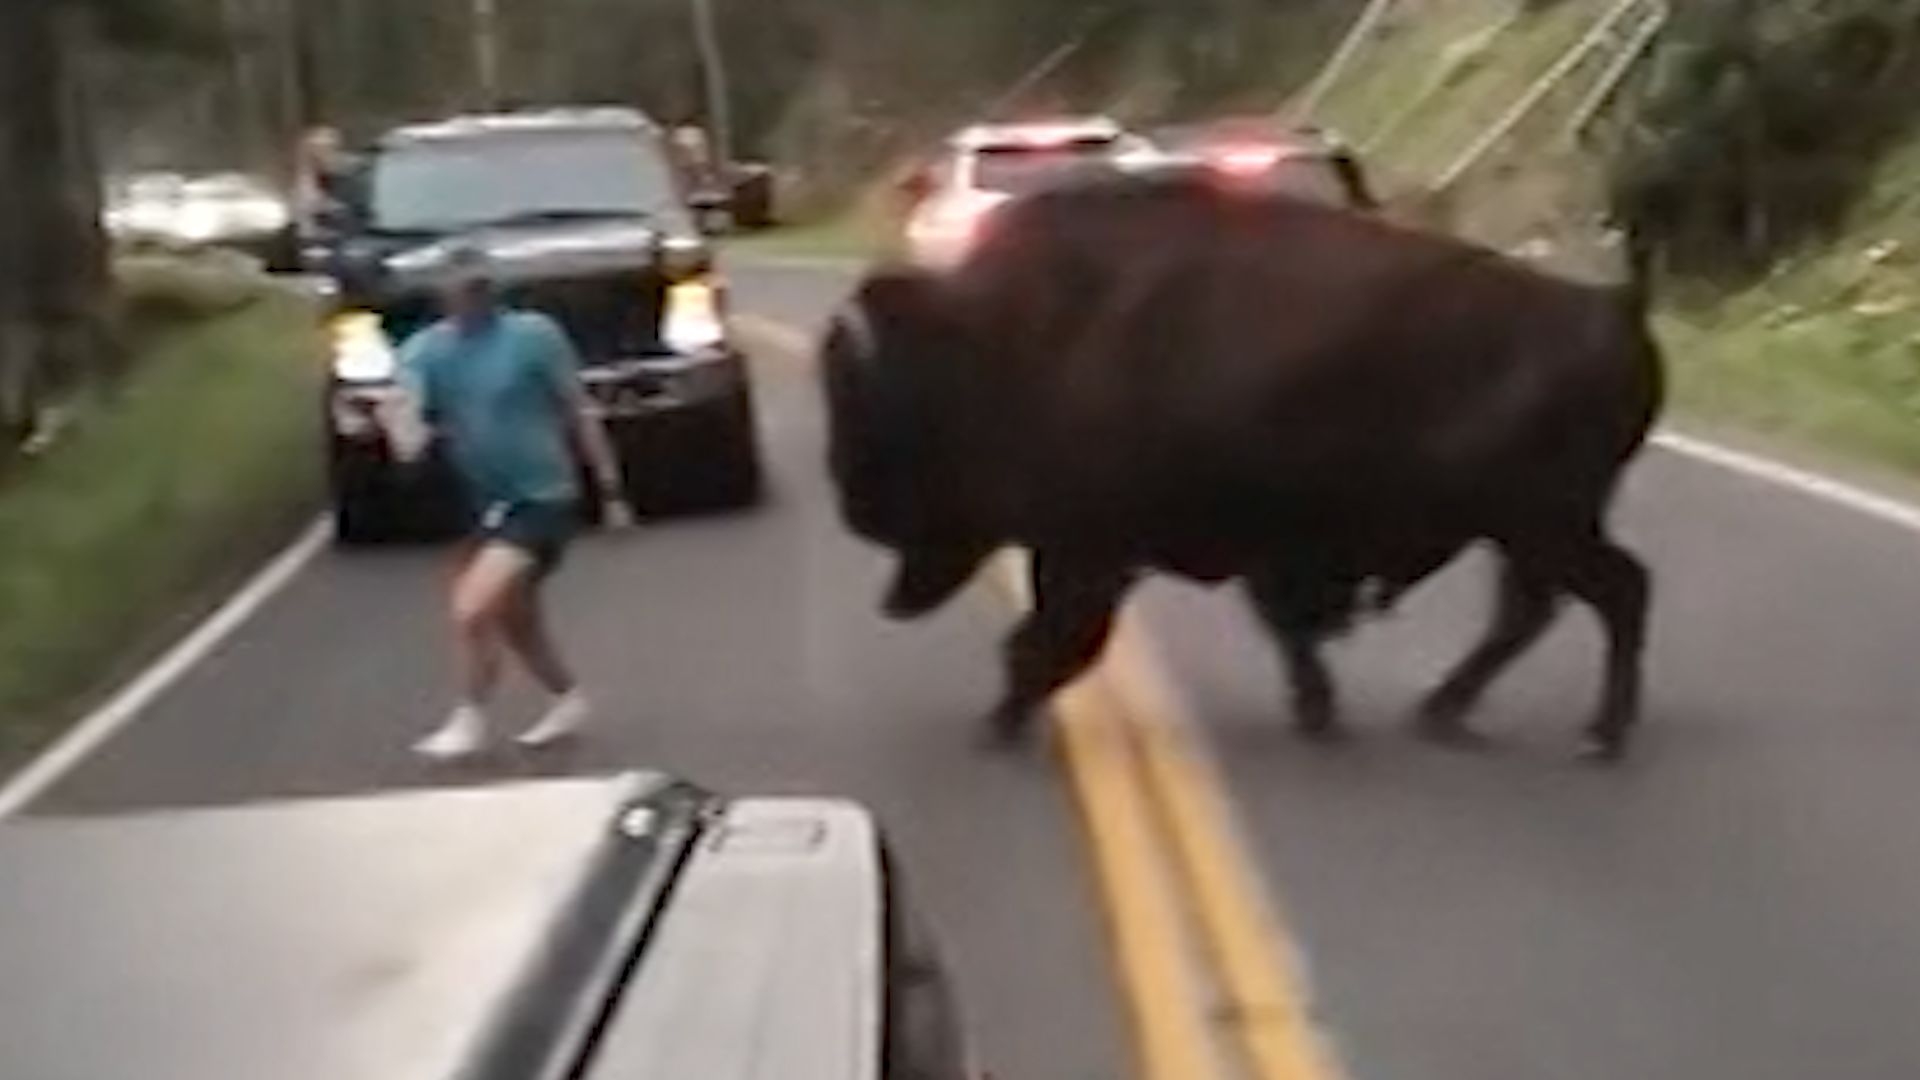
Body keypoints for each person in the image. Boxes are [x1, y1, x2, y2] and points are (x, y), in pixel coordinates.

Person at [380, 245, 633, 760]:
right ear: (444, 293)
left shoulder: (534, 336)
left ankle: (468, 719)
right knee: (517, 620)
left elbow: (578, 410)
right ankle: (567, 697)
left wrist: (610, 489)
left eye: (481, 287)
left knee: (473, 607)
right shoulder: (426, 351)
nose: (473, 298)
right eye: (462, 289)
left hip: (543, 497)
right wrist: (401, 428)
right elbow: (407, 417)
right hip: (481, 501)